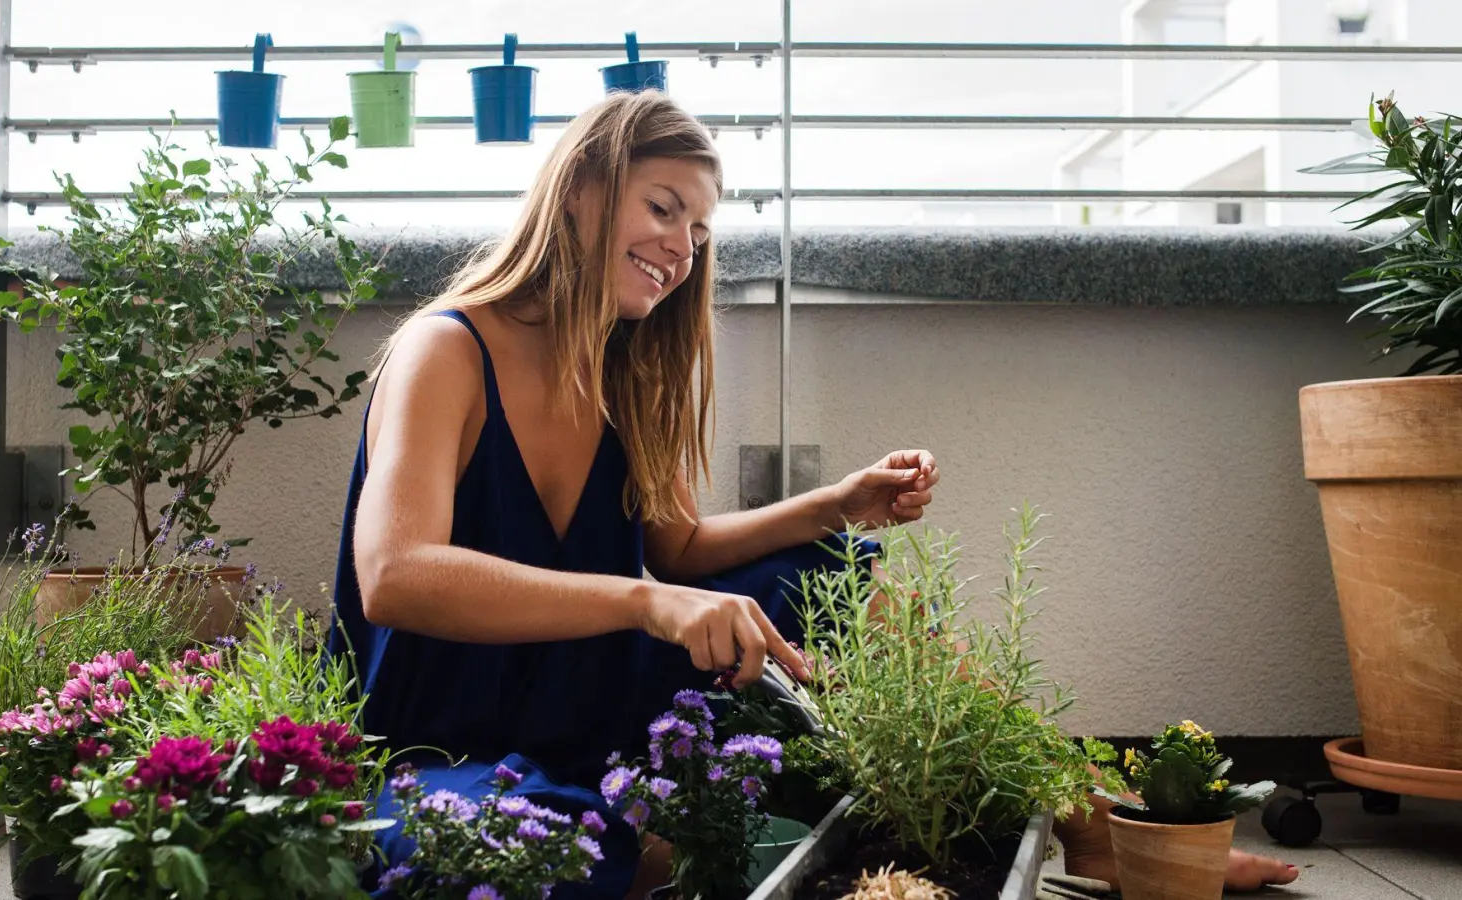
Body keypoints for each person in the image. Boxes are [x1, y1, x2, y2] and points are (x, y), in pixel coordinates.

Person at [326, 90, 1298, 898]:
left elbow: (678, 549)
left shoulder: (621, 374)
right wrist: (646, 603)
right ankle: (647, 843)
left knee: (831, 571)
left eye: (699, 229)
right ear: (580, 188)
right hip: (439, 733)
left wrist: (835, 504)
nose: (681, 247)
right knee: (517, 857)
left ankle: (1089, 822)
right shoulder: (446, 349)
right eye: (662, 208)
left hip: (583, 692)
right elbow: (396, 576)